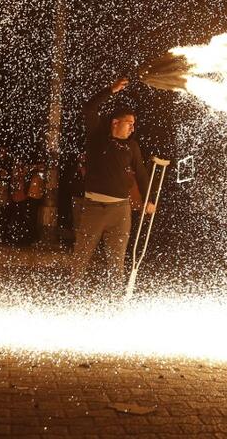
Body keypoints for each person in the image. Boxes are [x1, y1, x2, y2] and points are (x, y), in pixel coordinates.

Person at [71, 78, 156, 292]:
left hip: (121, 210)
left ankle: (114, 299)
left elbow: (142, 174)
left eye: (134, 125)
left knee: (116, 260)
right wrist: (111, 90)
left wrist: (149, 200)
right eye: (129, 123)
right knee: (82, 255)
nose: (132, 128)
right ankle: (72, 292)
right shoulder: (97, 136)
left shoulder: (132, 147)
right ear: (115, 122)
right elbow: (89, 107)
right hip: (94, 208)